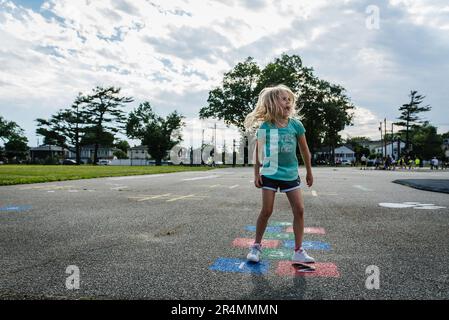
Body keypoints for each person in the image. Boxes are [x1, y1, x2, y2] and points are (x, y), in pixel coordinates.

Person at [244, 84, 315, 264]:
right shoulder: (266, 127)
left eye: (289, 99)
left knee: (299, 210)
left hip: (290, 174)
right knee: (267, 210)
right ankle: (256, 246)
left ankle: (298, 250)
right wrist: (256, 174)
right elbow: (257, 152)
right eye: (284, 99)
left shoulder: (296, 125)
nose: (288, 102)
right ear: (274, 103)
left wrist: (309, 171)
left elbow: (305, 150)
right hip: (270, 172)